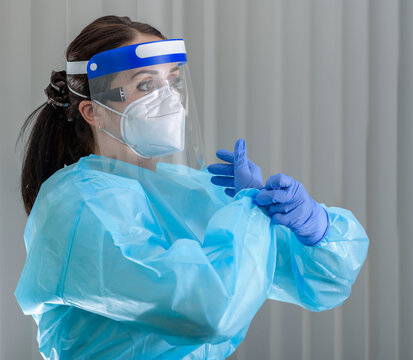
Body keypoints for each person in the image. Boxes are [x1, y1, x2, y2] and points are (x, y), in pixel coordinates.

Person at [15, 15, 369, 360]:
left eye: (173, 81)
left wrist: (314, 229)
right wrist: (248, 212)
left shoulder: (189, 193)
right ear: (93, 111)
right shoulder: (75, 206)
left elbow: (324, 286)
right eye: (146, 85)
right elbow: (207, 312)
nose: (170, 99)